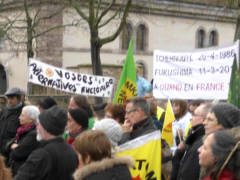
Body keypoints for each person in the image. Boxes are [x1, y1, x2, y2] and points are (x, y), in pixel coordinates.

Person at [14, 105, 79, 180]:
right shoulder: (71, 151)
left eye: (39, 123)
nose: (37, 127)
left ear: (46, 127)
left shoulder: (42, 154)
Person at [171, 103, 212, 180]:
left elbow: (190, 173)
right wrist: (179, 153)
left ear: (203, 119)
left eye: (194, 115)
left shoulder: (202, 142)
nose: (191, 118)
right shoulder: (194, 137)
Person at [6, 105, 40, 176]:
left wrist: (13, 146)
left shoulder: (33, 134)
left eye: (22, 115)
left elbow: (16, 153)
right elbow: (7, 145)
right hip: (15, 170)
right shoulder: (21, 131)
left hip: (23, 173)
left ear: (31, 119)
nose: (19, 117)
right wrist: (12, 145)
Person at [0, 87, 24, 159]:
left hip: (11, 151)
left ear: (18, 98)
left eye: (12, 98)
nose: (9, 100)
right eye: (8, 98)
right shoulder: (4, 110)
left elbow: (23, 132)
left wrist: (10, 145)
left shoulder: (23, 112)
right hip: (1, 148)